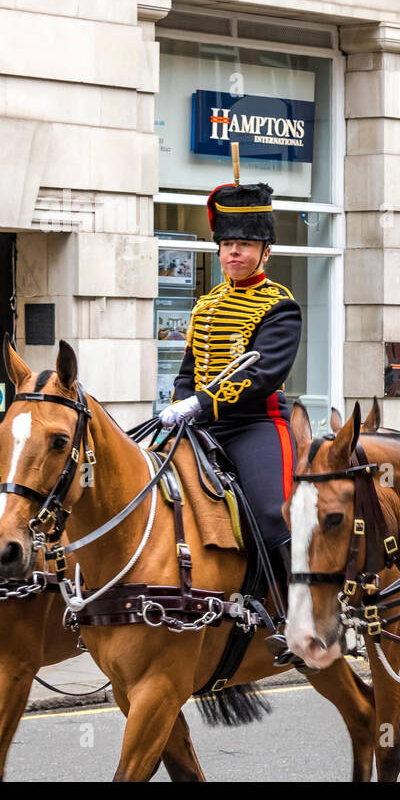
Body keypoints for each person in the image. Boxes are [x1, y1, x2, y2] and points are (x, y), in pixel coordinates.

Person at [160, 182, 302, 562]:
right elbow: (187, 371)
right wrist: (179, 406)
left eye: (245, 244)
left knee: (274, 517)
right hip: (198, 426)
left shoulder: (280, 306)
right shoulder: (205, 306)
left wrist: (198, 405)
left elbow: (262, 377)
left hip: (254, 424)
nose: (233, 251)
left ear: (265, 251)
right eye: (226, 244)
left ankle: (297, 612)